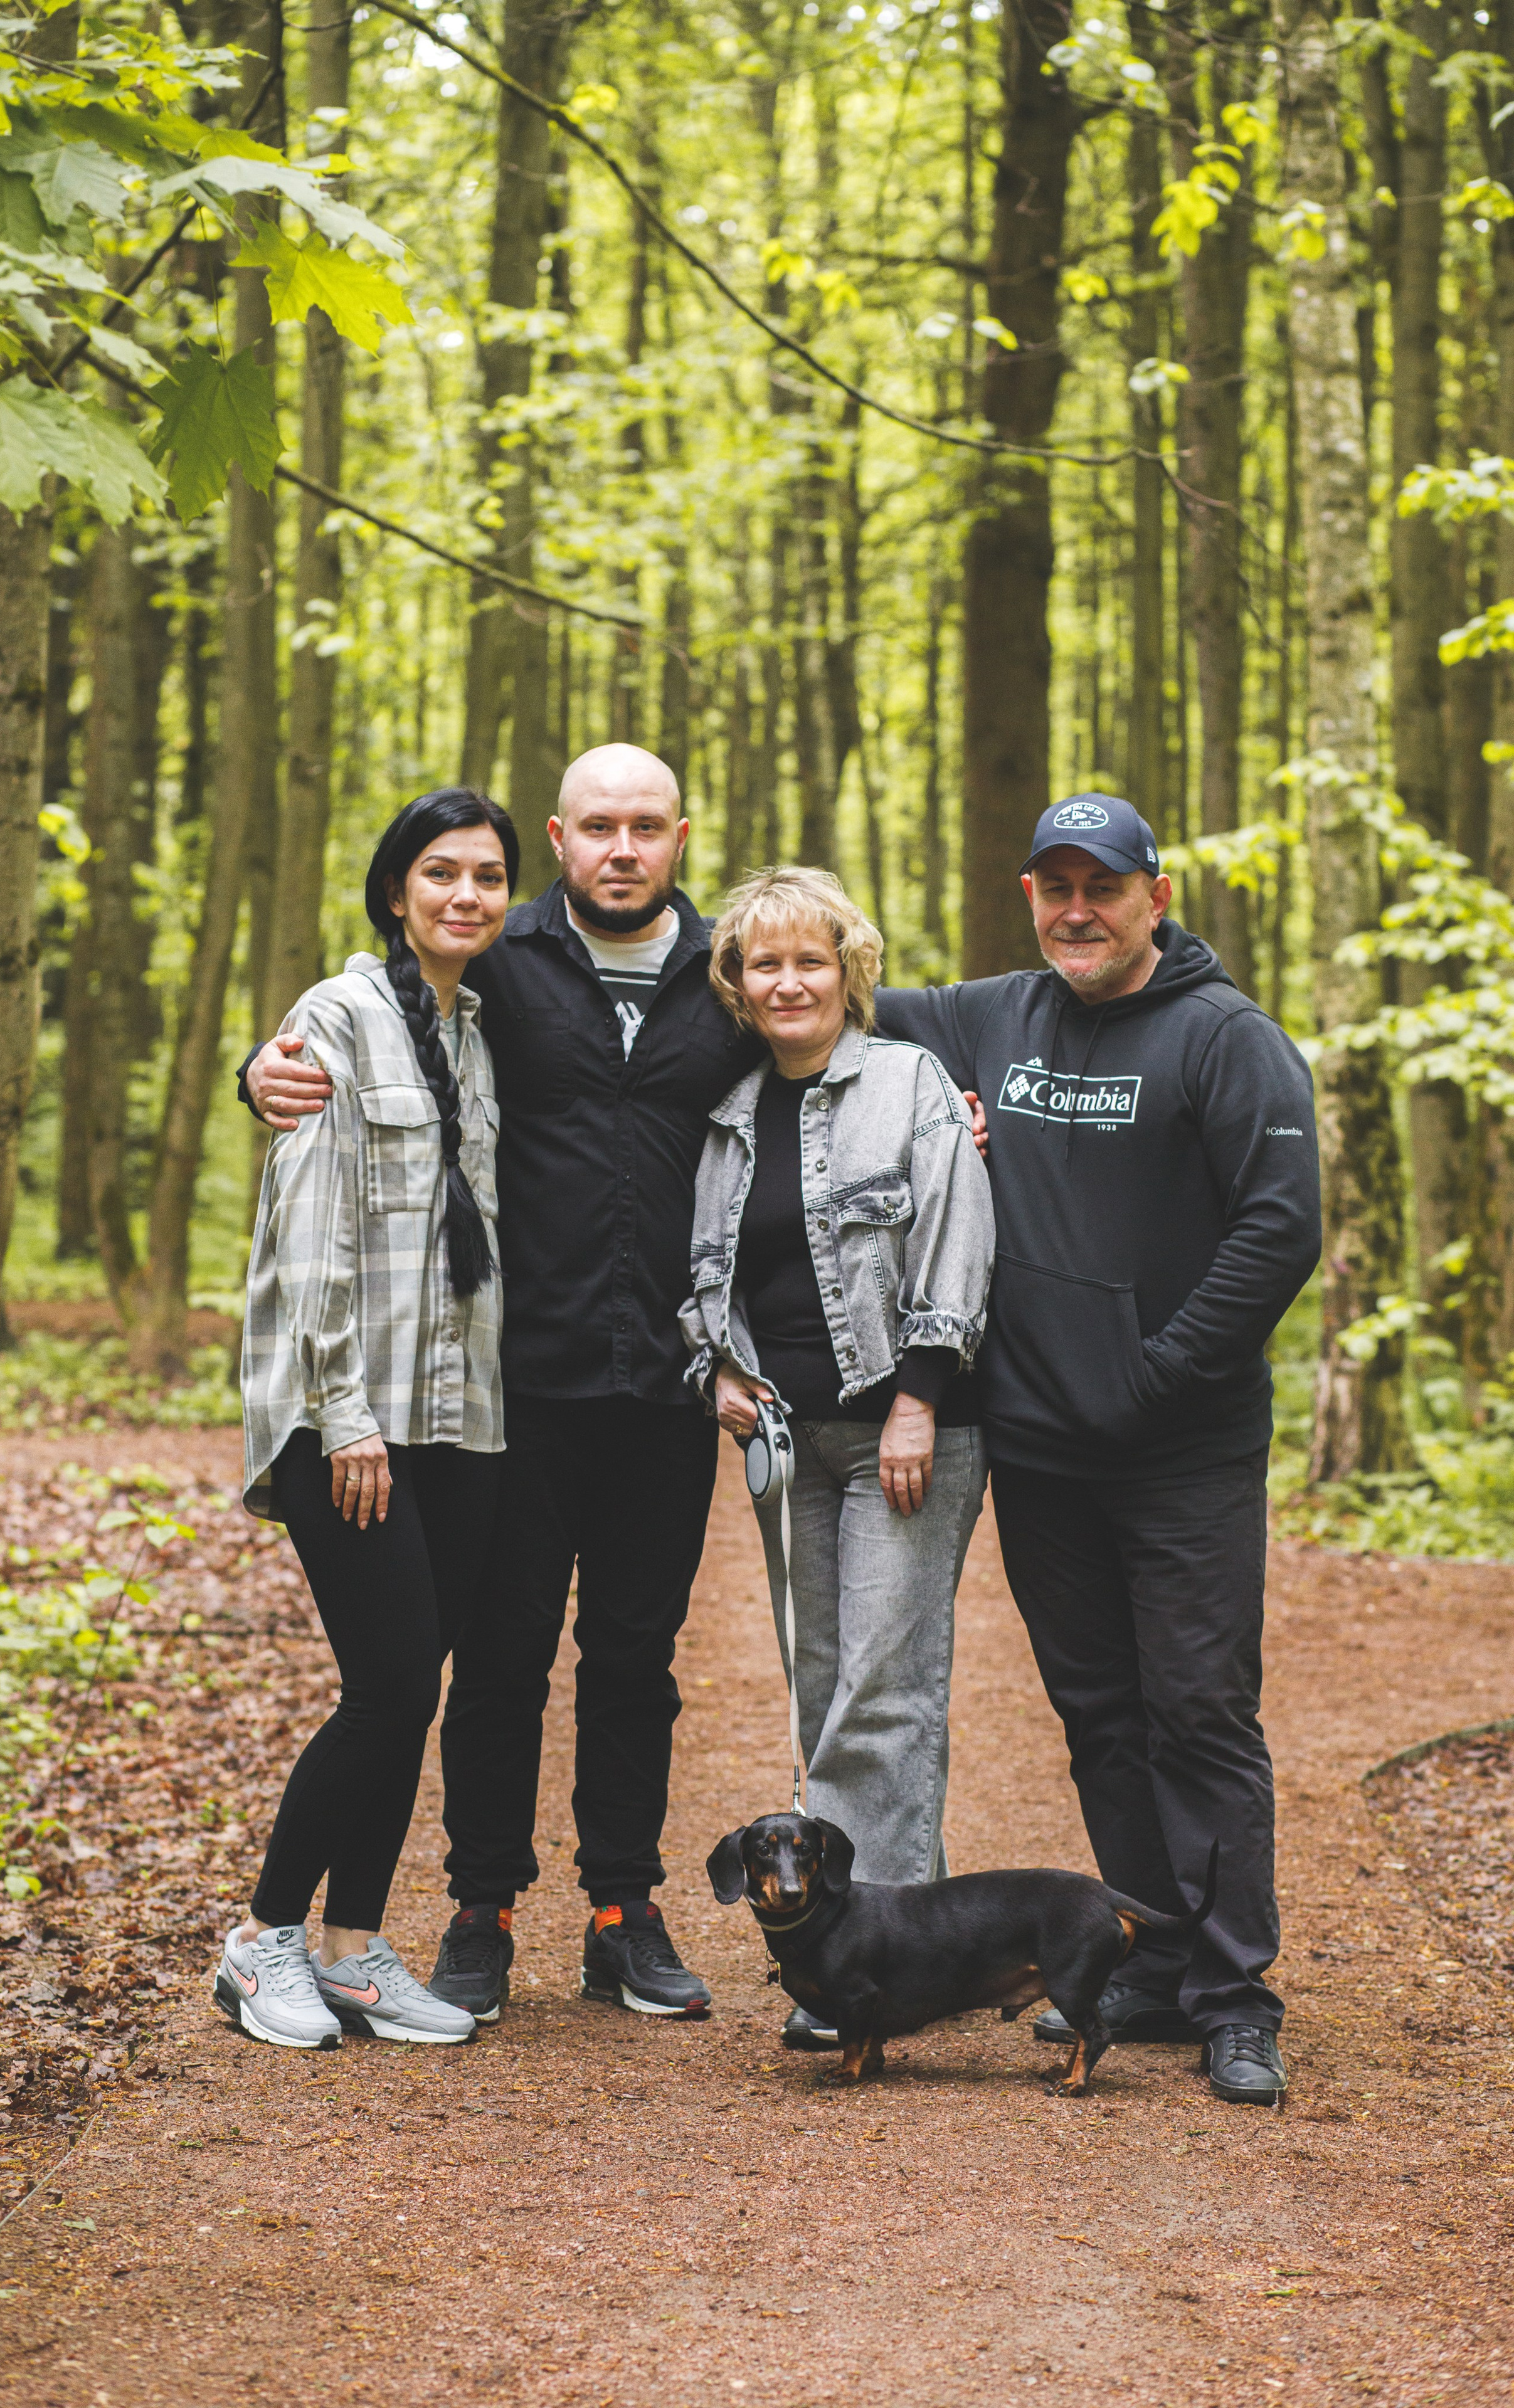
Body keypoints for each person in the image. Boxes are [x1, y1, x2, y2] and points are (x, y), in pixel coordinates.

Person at [240, 745, 767, 2023]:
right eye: (597, 827)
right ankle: (480, 1910)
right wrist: (257, 1079)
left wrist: (959, 1101)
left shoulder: (740, 973)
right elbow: (351, 1067)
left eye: (646, 826)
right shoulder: (501, 965)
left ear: (682, 838)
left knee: (634, 1660)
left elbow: (849, 1041)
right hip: (509, 1389)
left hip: (662, 1387)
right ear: (562, 835)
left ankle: (621, 1914)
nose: (622, 848)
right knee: (492, 1664)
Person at [875, 792, 1322, 2106]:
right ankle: (1155, 1960)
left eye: (1102, 887)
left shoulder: (1223, 1039)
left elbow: (1275, 1230)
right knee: (1099, 1717)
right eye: (1053, 886)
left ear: (1153, 895)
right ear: (1028, 896)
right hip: (1041, 1449)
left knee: (1197, 1713)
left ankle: (1236, 1994)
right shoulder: (987, 1018)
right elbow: (802, 986)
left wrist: (1155, 1376)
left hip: (1178, 1451)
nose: (1077, 909)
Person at [214, 788, 516, 2051]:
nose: (464, 895)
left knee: (412, 1686)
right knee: (389, 1683)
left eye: (488, 876)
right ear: (396, 890)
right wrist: (344, 1417)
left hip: (456, 1418)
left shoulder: (481, 1031)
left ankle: (354, 1949)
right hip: (349, 1417)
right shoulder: (333, 1020)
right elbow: (306, 1232)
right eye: (439, 872)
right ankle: (261, 1940)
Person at [680, 869, 994, 2050]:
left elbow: (959, 1246)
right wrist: (713, 1368)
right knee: (828, 1685)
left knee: (884, 1688)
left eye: (810, 960)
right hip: (787, 1441)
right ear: (739, 985)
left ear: (848, 970)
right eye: (765, 964)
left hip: (904, 1437)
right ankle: (916, 1928)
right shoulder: (730, 1114)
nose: (789, 981)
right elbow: (708, 1273)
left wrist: (921, 1396)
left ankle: (874, 1968)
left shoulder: (909, 1083)